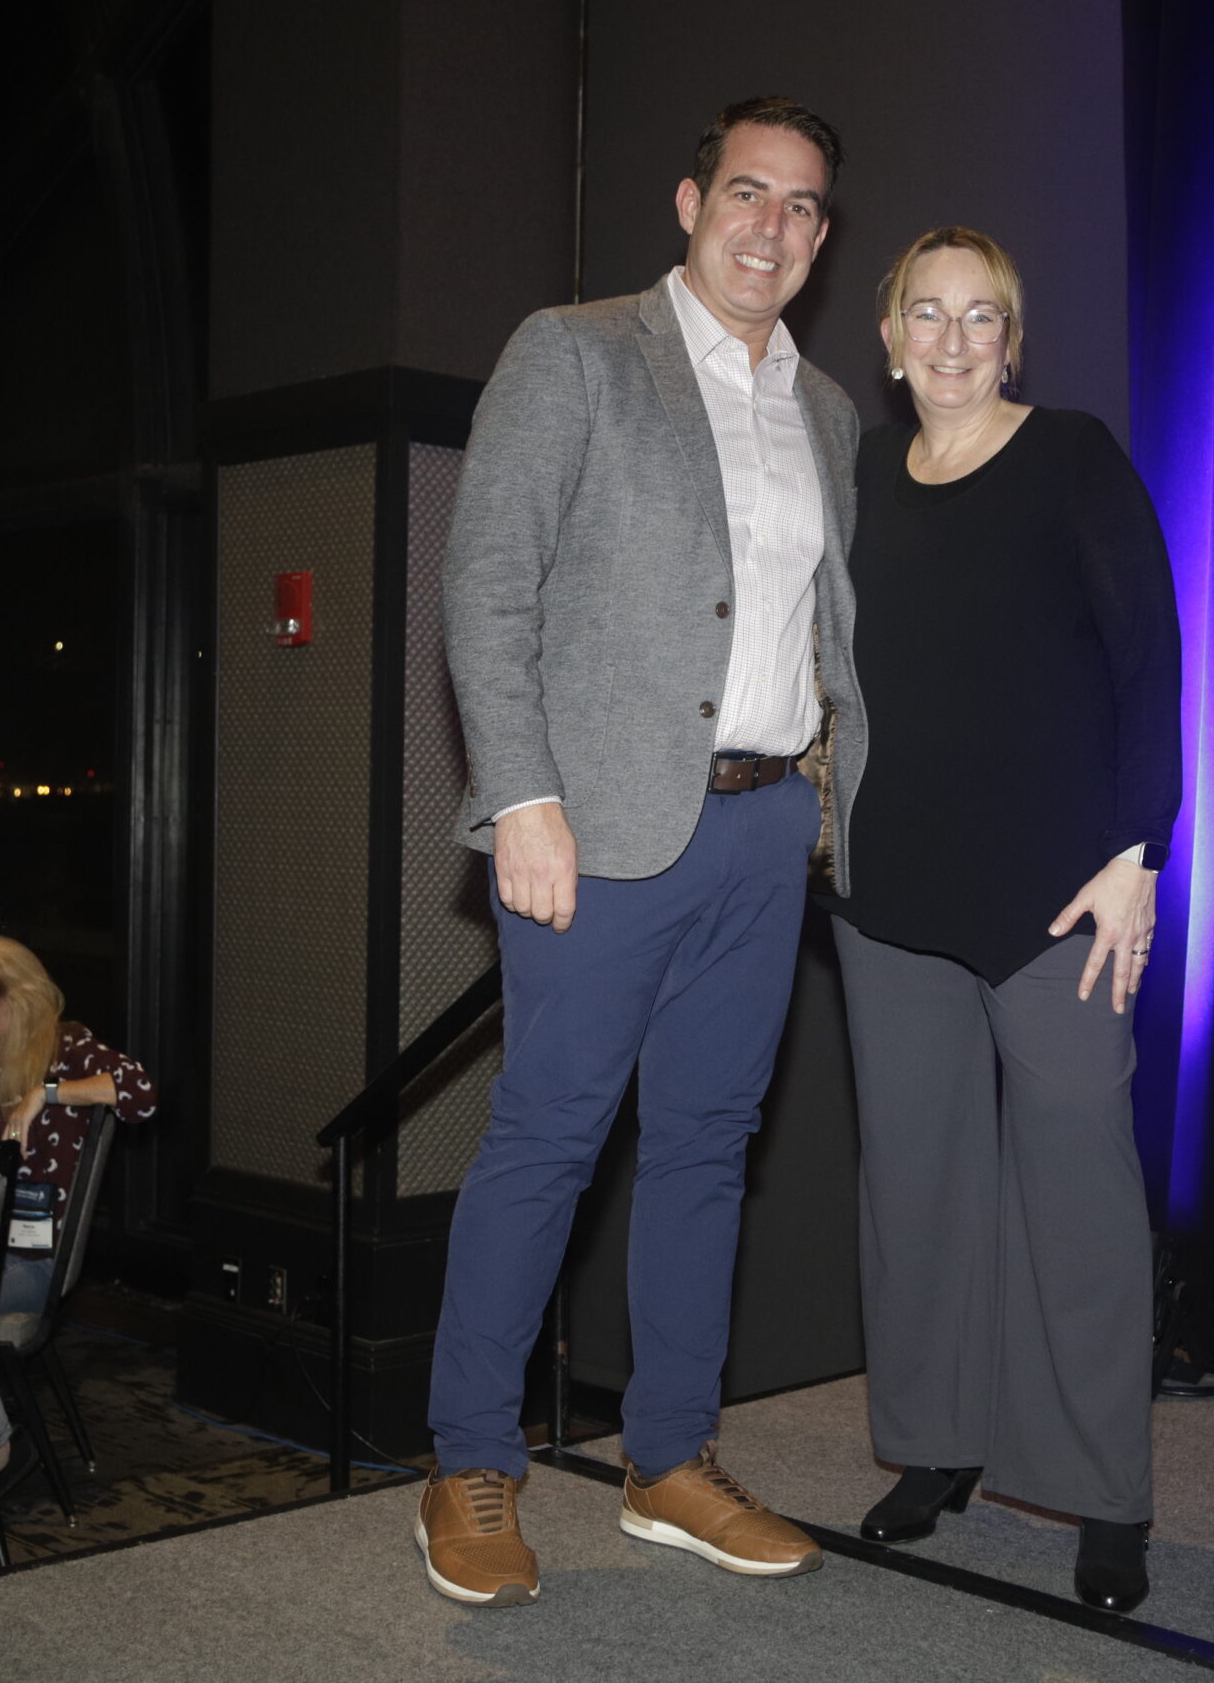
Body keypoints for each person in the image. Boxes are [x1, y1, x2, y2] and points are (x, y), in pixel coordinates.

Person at [423, 95, 866, 1609]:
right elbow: (486, 582)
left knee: (705, 1151)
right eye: (748, 192)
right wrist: (519, 793)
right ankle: (469, 1457)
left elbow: (822, 635)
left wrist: (820, 805)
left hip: (762, 833)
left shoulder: (829, 412)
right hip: (599, 826)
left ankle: (669, 1454)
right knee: (547, 1140)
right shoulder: (576, 348)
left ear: (820, 235)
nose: (772, 227)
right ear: (690, 202)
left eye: (803, 207)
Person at [817, 227, 1182, 1615]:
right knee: (915, 1193)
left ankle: (1104, 1494)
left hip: (1063, 897)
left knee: (1081, 1197)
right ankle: (933, 1451)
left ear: (1012, 340)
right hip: (890, 892)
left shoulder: (1074, 455)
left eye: (984, 317)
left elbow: (1152, 659)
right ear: (893, 336)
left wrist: (1139, 854)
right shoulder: (855, 475)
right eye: (930, 313)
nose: (956, 340)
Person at [0, 935, 157, 1323]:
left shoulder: (63, 1048)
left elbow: (140, 1092)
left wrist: (43, 1094)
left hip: (33, 1258)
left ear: (22, 997)